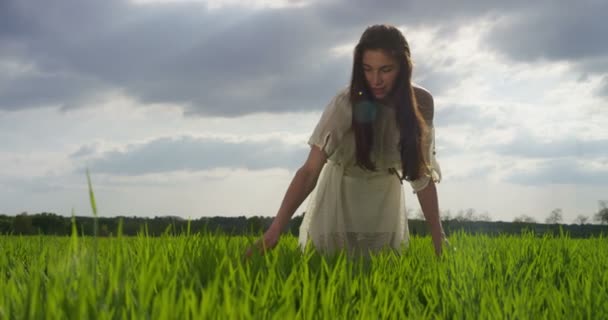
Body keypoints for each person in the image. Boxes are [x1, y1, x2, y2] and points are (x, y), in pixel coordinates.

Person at [245, 24, 448, 258]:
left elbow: (421, 176)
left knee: (380, 280)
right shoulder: (345, 104)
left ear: (404, 67)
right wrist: (274, 231)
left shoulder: (422, 103)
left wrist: (438, 238)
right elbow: (310, 171)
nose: (376, 80)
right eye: (367, 69)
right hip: (338, 200)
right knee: (332, 275)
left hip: (385, 203)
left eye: (386, 70)